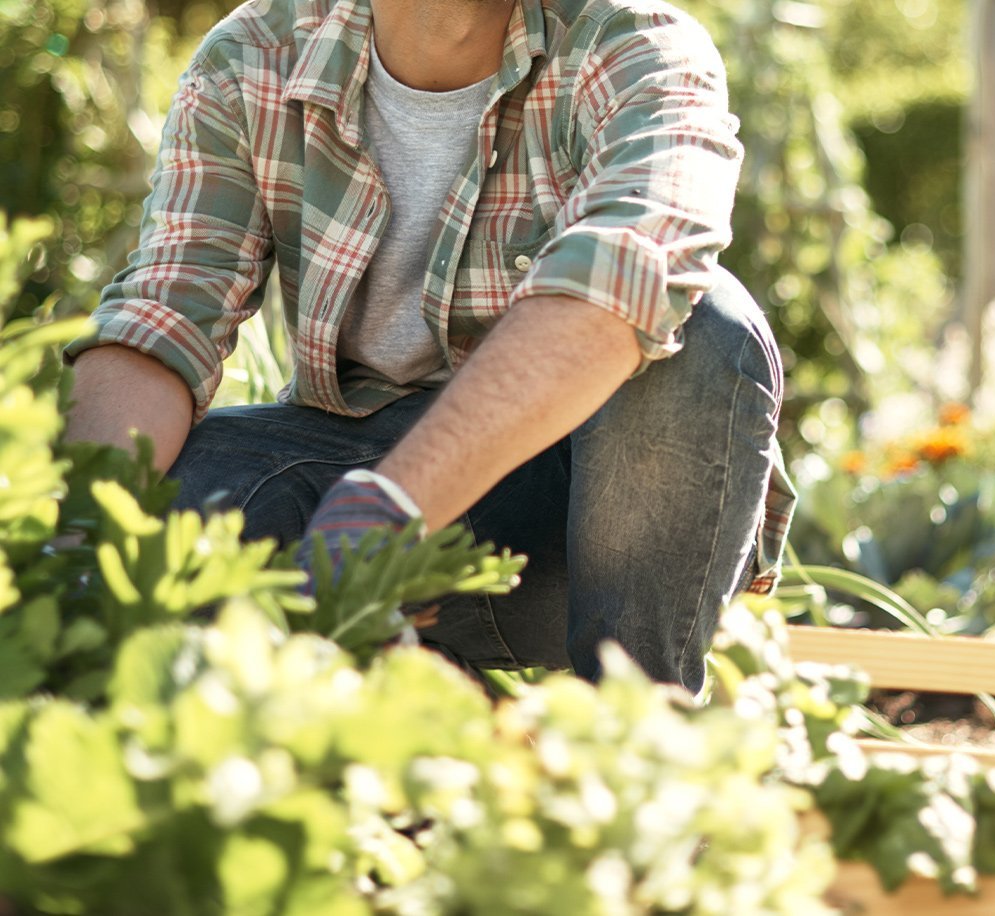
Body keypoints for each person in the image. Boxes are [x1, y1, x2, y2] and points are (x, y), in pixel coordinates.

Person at [63, 0, 794, 694]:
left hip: (582, 540)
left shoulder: (638, 47)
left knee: (705, 334)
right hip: (349, 492)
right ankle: (432, 697)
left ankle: (633, 750)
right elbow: (165, 314)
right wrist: (73, 539)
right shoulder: (253, 57)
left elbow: (629, 271)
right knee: (190, 493)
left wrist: (392, 507)